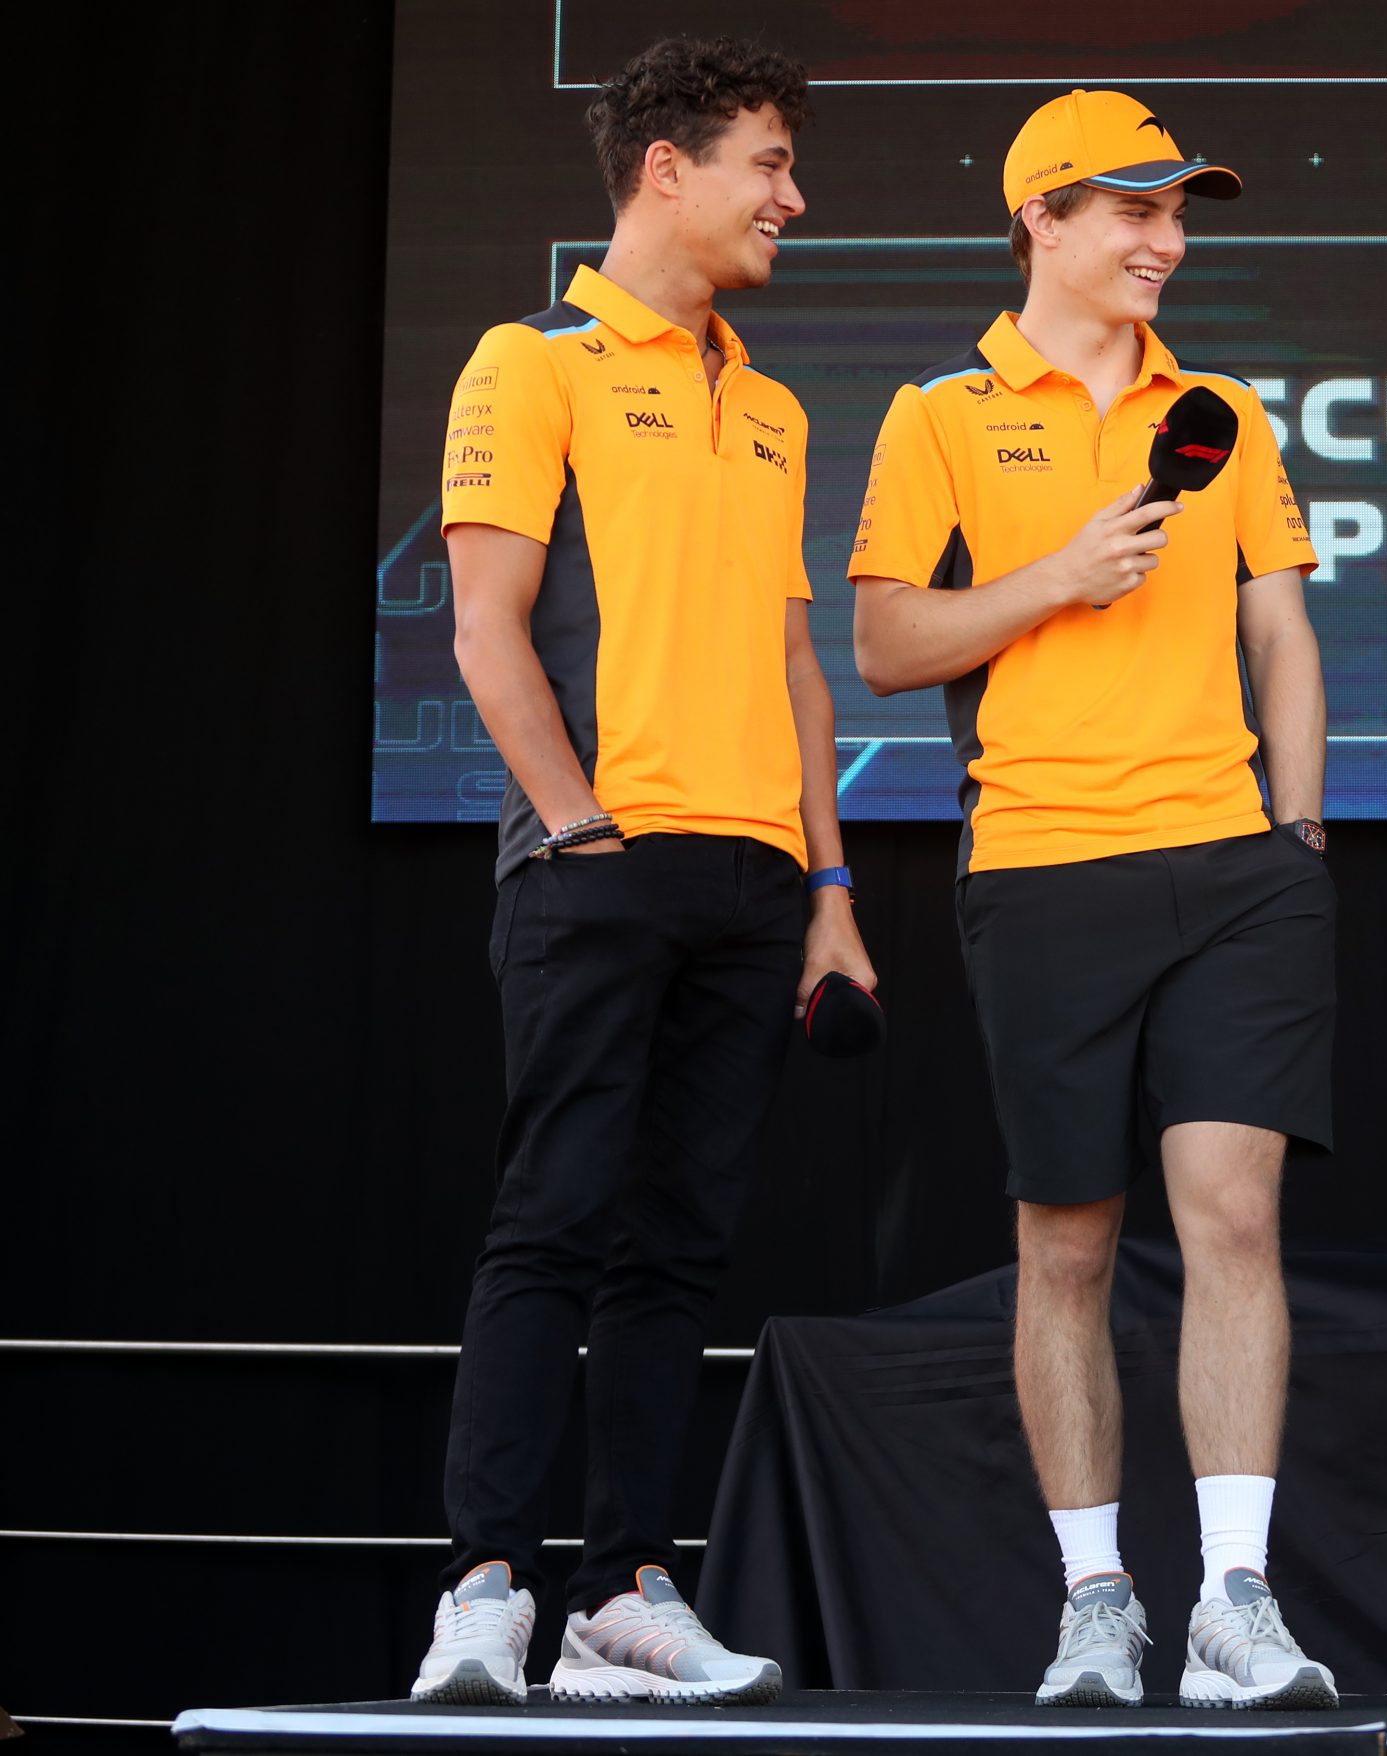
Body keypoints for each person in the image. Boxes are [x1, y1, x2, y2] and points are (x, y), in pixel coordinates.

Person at [847, 89, 1337, 1711]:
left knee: (1236, 1217)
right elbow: (888, 645)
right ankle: (1097, 1600)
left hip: (1234, 868)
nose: (1166, 239)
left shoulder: (1227, 410)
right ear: (1041, 221)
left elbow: (1281, 629)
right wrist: (1055, 577)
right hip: (1044, 865)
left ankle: (1237, 1605)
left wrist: (1303, 828)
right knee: (1066, 1245)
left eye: (1178, 211)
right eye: (1133, 209)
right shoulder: (940, 412)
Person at [410, 36, 873, 1707]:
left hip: (758, 884)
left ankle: (621, 1594)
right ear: (666, 169)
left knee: (678, 1250)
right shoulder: (526, 363)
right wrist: (579, 822)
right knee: (551, 1224)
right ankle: (484, 1593)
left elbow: (804, 671)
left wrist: (830, 887)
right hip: (595, 867)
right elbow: (485, 624)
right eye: (768, 162)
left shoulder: (776, 402)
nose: (792, 198)